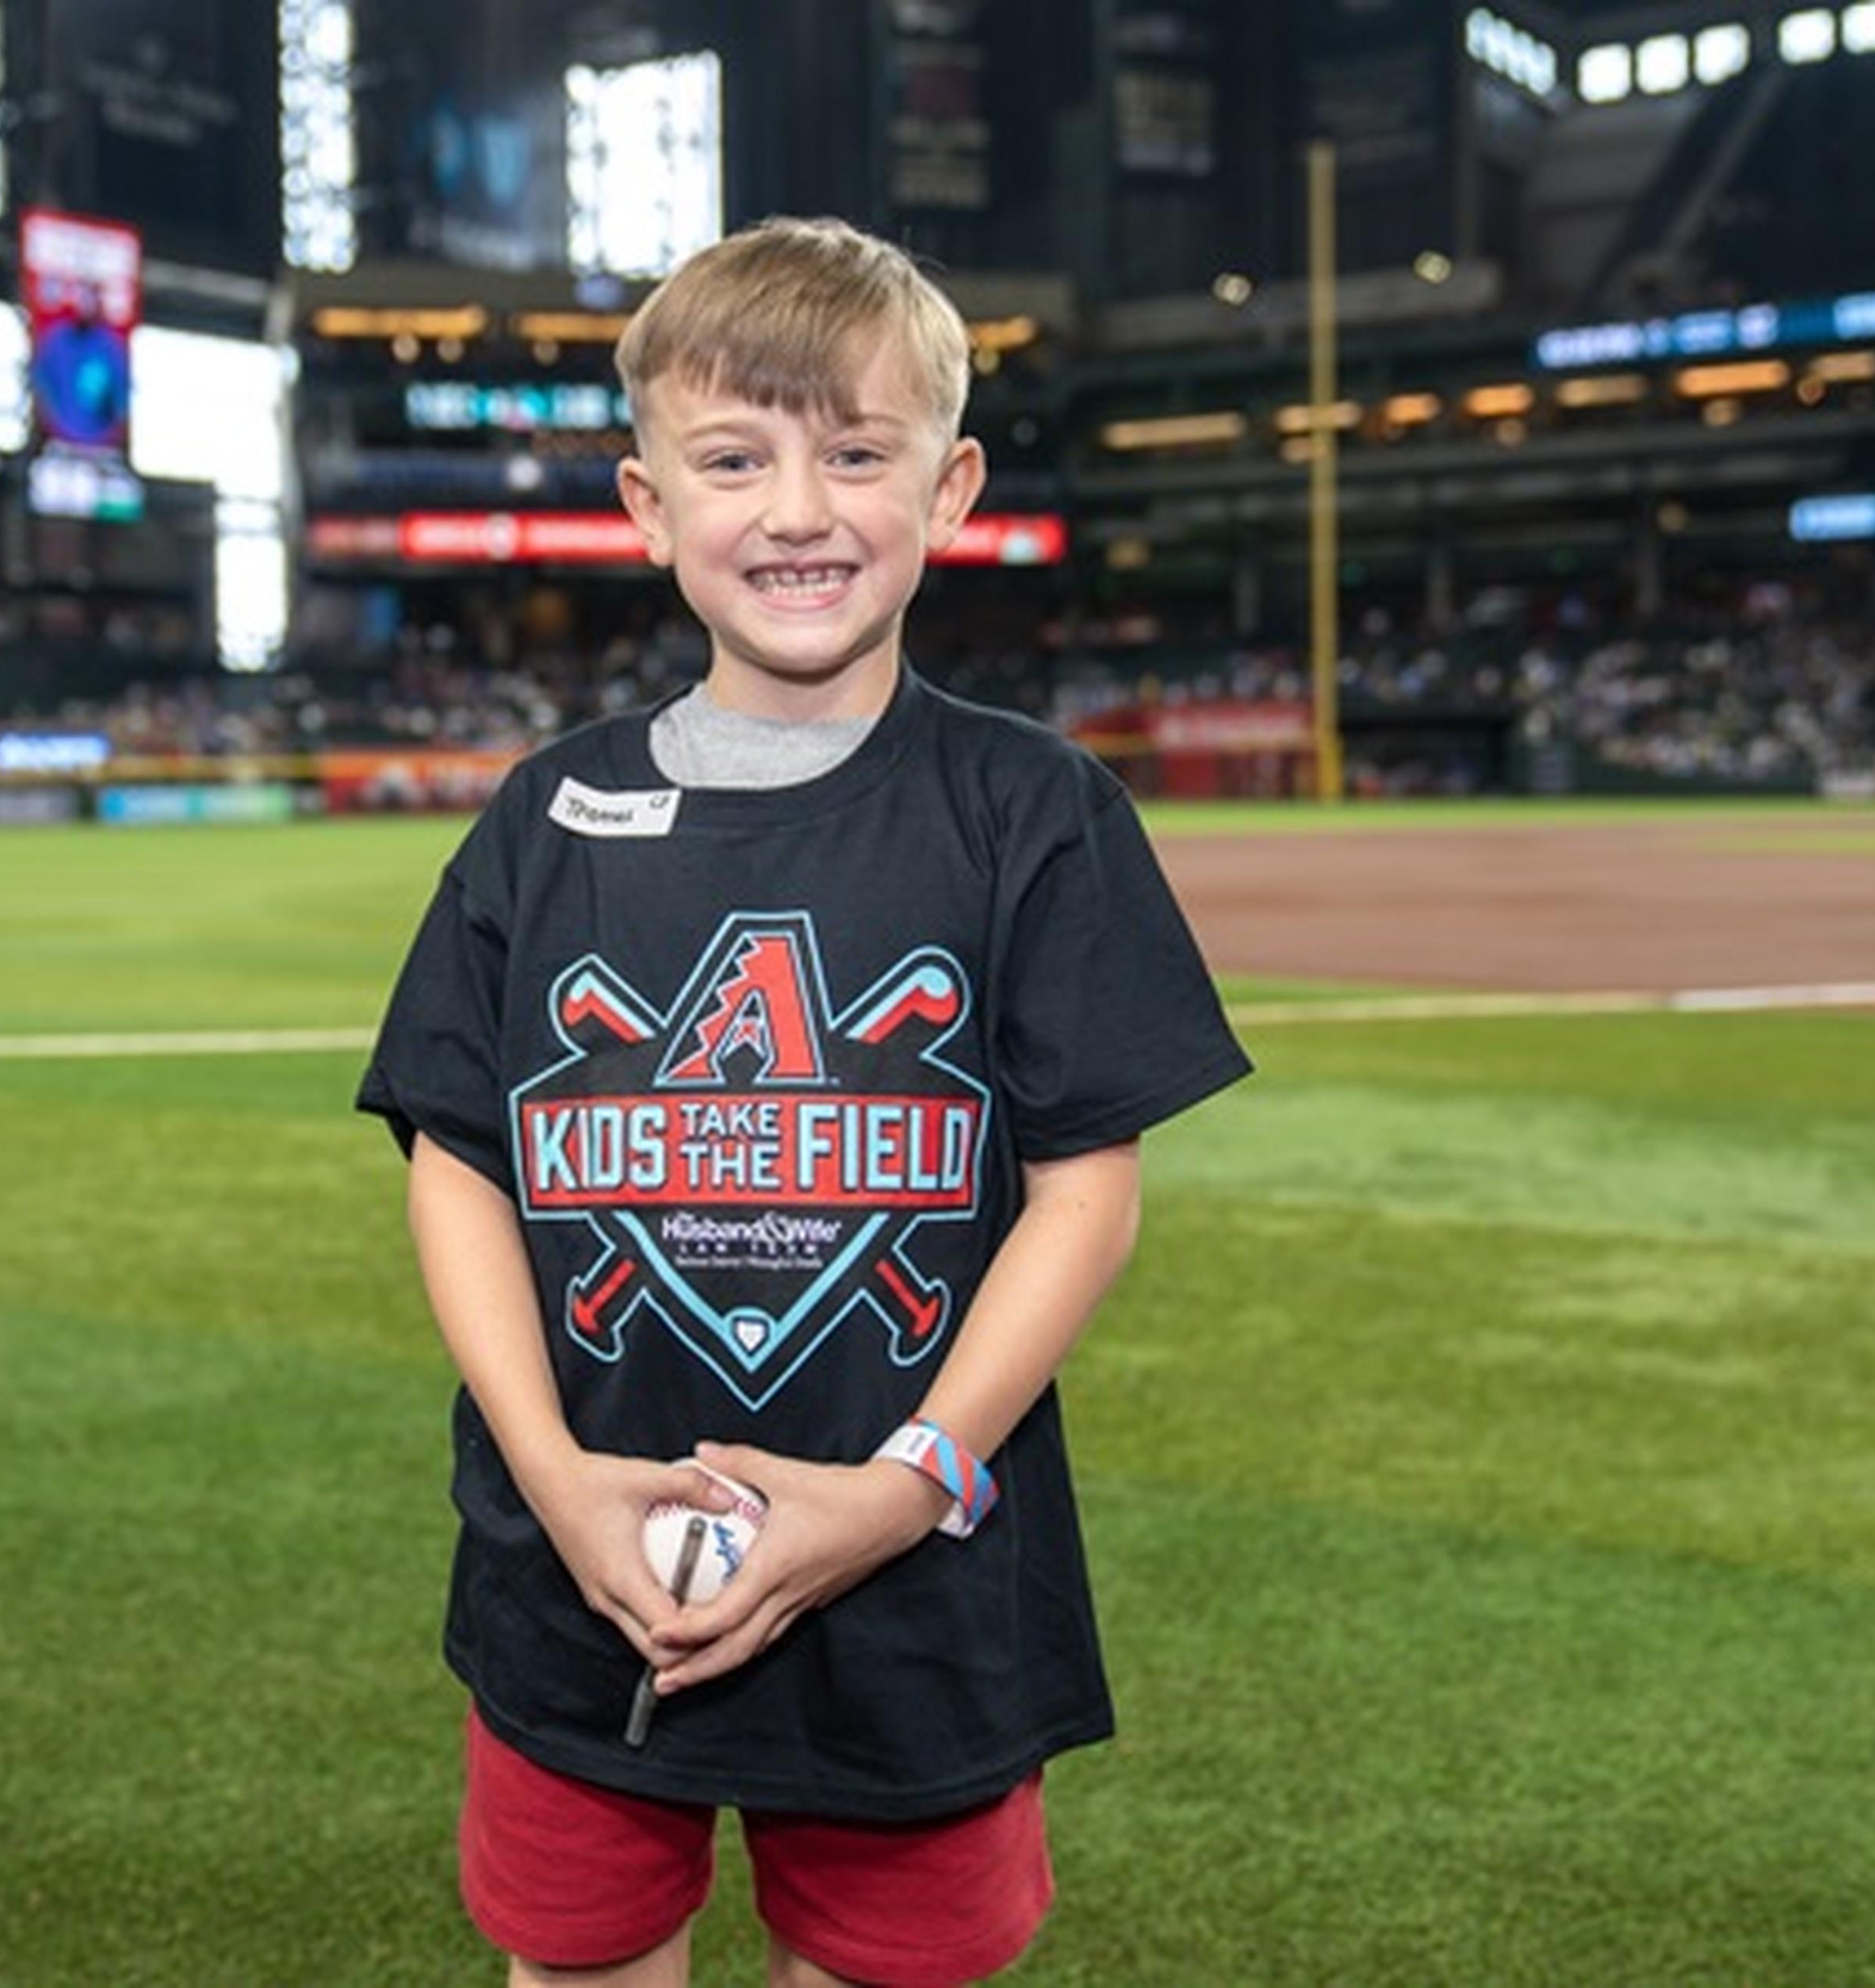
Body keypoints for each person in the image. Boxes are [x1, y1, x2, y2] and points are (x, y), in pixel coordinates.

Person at [358, 217, 1250, 1988]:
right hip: (576, 1549)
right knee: (585, 1951)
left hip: (915, 1562)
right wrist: (554, 1476)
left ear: (953, 480)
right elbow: (459, 1159)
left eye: (857, 453)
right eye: (735, 458)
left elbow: (1086, 1188)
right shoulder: (545, 817)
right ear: (644, 501)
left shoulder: (1034, 809)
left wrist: (912, 1484)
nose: (798, 510)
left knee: (895, 1963)